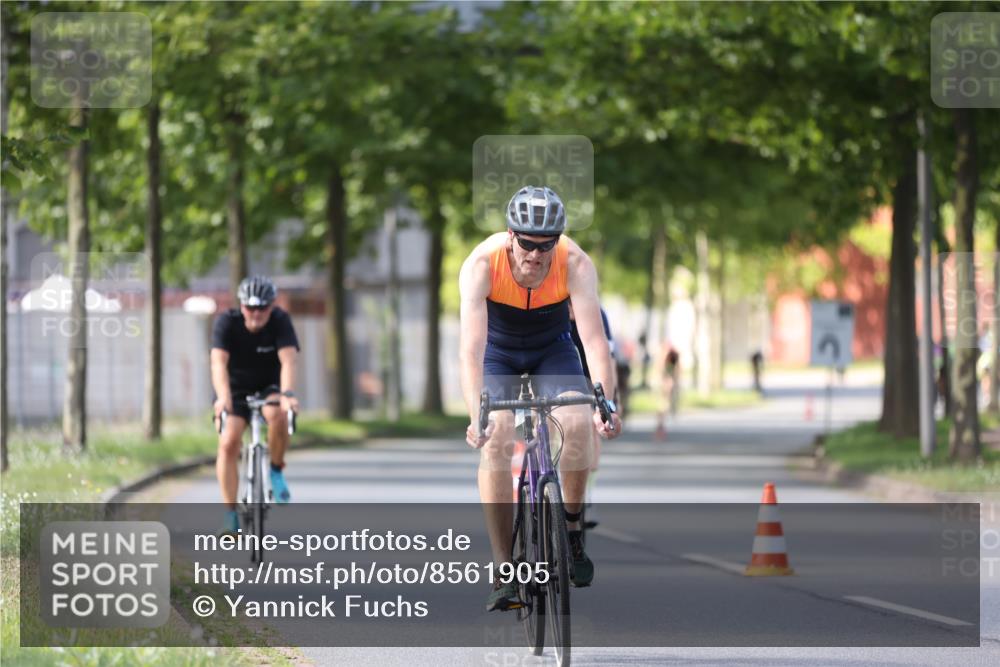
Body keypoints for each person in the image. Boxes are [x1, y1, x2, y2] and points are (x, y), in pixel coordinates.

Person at [459, 186, 622, 611]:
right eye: (527, 244)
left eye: (546, 246)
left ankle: (570, 530)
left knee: (578, 422)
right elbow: (470, 351)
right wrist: (475, 415)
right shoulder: (481, 265)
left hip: (553, 348)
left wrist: (607, 404)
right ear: (510, 235)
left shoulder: (576, 264)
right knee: (495, 439)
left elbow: (595, 342)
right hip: (499, 352)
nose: (535, 255)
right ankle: (503, 571)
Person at [211, 275, 300, 536]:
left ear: (271, 307)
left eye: (263, 307)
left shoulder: (281, 321)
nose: (256, 313)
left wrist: (288, 394)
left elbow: (288, 361)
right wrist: (223, 397)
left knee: (279, 415)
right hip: (235, 388)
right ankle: (230, 515)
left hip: (269, 385)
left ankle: (275, 469)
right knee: (228, 442)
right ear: (241, 306)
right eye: (250, 307)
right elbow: (218, 363)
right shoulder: (226, 323)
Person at [654, 342, 680, 441]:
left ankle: (661, 425)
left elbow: (676, 370)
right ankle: (660, 427)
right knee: (663, 405)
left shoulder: (673, 356)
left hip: (668, 381)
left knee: (665, 405)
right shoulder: (664, 356)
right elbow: (660, 370)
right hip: (664, 382)